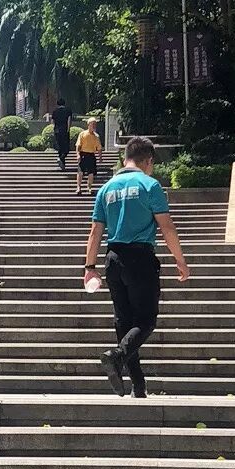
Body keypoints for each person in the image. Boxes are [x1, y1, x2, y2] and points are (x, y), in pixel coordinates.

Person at [82, 136, 191, 398]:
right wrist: (180, 260)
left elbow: (95, 231)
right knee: (146, 320)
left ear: (125, 158)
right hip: (140, 258)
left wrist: (89, 266)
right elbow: (166, 227)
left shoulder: (106, 189)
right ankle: (117, 355)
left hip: (113, 258)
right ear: (149, 161)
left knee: (124, 322)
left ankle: (138, 385)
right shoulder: (149, 185)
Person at [74, 117, 103, 195]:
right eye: (92, 124)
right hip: (83, 154)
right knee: (80, 172)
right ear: (88, 125)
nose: (94, 126)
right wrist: (78, 154)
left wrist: (100, 157)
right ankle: (78, 187)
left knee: (91, 173)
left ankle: (89, 187)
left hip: (91, 155)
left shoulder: (96, 136)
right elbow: (78, 145)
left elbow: (99, 148)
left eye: (95, 124)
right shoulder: (82, 134)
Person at [51, 97, 72, 170]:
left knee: (60, 147)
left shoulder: (55, 111)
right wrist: (68, 129)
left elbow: (52, 121)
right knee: (66, 147)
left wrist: (54, 129)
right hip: (64, 130)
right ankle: (61, 159)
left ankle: (62, 165)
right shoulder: (68, 110)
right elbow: (69, 120)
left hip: (57, 130)